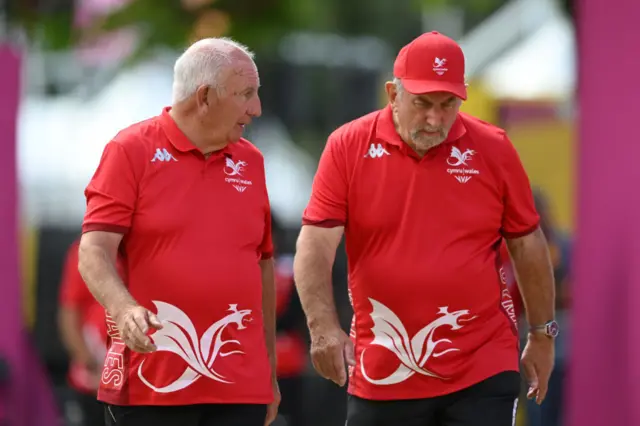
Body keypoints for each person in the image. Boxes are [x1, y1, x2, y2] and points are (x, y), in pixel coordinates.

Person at [293, 31, 557, 426]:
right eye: (422, 103)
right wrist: (323, 329)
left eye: (448, 104)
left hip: (482, 363)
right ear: (392, 93)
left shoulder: (493, 147)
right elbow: (315, 242)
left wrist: (541, 334)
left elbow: (527, 243)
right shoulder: (347, 146)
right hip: (384, 365)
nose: (435, 118)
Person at [78, 37, 280, 426]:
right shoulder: (129, 150)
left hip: (239, 387)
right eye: (246, 95)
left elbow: (262, 266)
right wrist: (123, 310)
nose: (256, 109)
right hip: (152, 384)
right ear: (204, 97)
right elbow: (93, 252)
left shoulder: (252, 162)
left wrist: (267, 372)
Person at [58, 238, 116, 426]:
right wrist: (88, 360)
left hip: (134, 386)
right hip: (93, 380)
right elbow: (69, 313)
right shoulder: (84, 251)